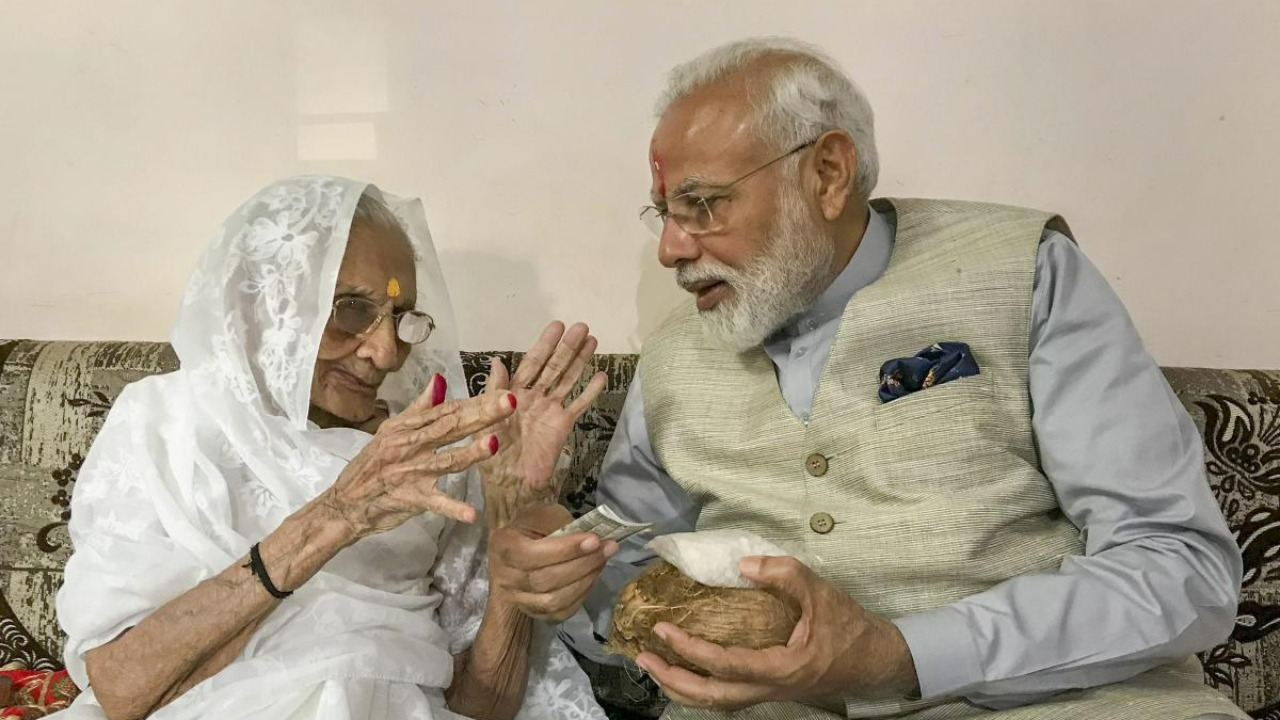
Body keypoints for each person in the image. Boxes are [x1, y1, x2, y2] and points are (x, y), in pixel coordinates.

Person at [548, 38, 1250, 719]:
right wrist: (556, 568)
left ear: (827, 173)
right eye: (664, 212)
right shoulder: (674, 356)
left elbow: (1178, 566)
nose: (671, 247)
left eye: (703, 204)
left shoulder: (1024, 275)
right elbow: (629, 586)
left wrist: (902, 653)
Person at [54, 175, 614, 720]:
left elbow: (481, 706)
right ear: (261, 301)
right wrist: (338, 514)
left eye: (401, 318)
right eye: (349, 309)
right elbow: (123, 691)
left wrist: (511, 508)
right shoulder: (165, 423)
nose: (385, 352)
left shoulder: (428, 453)